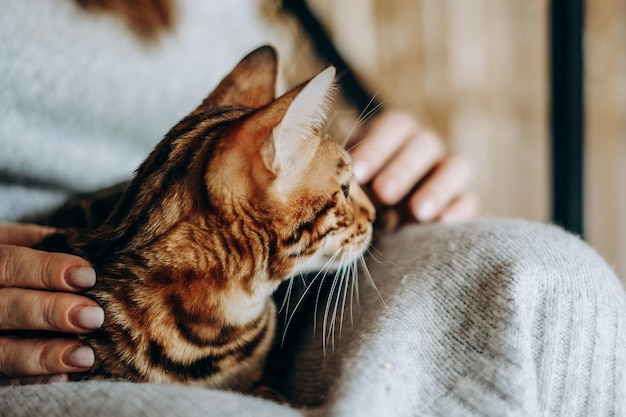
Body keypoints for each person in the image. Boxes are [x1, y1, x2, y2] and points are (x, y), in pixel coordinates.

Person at [0, 1, 624, 416]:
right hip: (38, 312)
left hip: (270, 254)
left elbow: (280, 119)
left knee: (553, 284)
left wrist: (390, 165)